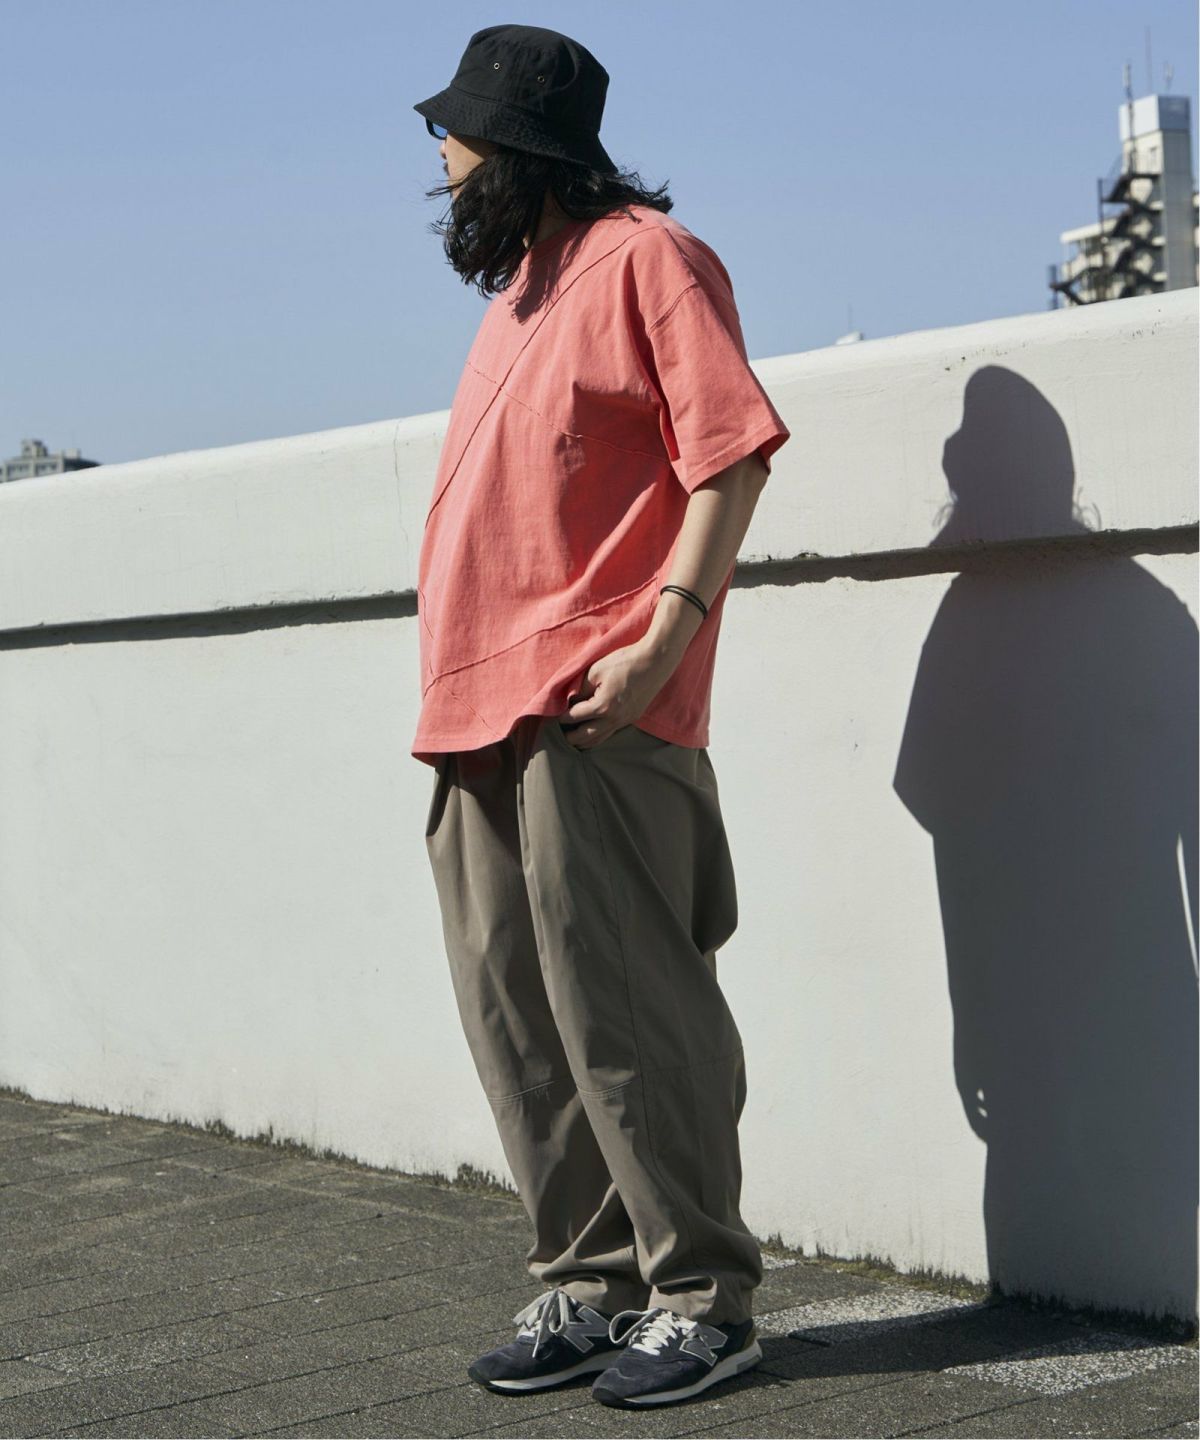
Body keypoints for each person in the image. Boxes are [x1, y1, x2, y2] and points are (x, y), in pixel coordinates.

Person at [412, 23, 791, 1411]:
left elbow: (729, 457)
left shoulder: (649, 258)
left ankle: (704, 1298)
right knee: (518, 1021)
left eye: (455, 139)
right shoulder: (521, 293)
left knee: (633, 1014)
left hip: (594, 702)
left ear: (518, 147)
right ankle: (590, 1282)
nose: (442, 164)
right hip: (472, 709)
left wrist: (662, 643)